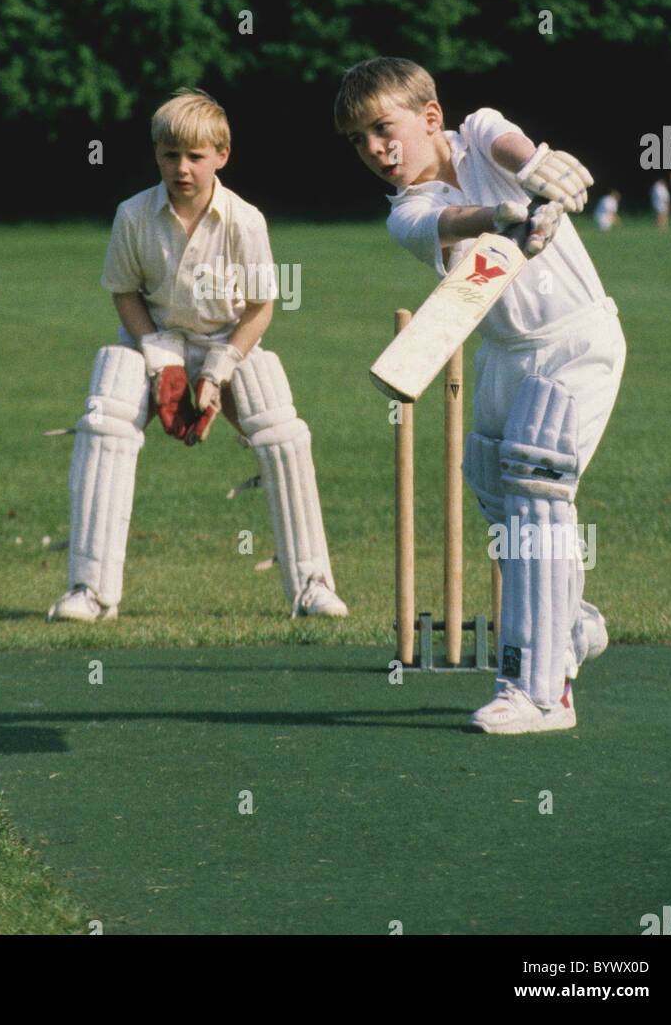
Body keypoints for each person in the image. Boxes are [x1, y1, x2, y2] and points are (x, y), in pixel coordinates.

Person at [335, 57, 625, 734]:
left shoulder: (482, 131)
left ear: (430, 117)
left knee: (535, 476)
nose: (375, 150)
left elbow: (509, 146)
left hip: (576, 341)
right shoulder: (408, 210)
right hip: (501, 359)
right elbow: (450, 223)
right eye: (358, 141)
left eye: (383, 129)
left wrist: (536, 172)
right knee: (499, 493)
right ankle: (570, 623)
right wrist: (505, 215)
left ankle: (539, 692)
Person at [48, 89, 347, 623]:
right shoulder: (133, 214)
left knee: (283, 433)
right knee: (104, 423)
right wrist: (161, 361)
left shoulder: (245, 220)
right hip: (152, 336)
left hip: (228, 338)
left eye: (195, 157)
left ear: (221, 156)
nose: (181, 169)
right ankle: (89, 592)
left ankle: (312, 587)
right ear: (156, 155)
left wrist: (218, 371)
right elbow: (124, 292)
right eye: (169, 156)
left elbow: (259, 309)